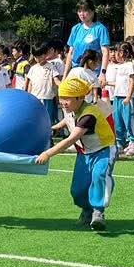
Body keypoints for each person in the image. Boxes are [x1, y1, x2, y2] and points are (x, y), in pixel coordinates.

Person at [36, 76, 116, 231]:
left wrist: (48, 153)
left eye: (67, 98)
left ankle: (98, 212)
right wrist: (53, 127)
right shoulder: (71, 109)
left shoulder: (89, 115)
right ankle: (87, 210)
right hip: (84, 152)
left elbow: (71, 139)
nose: (62, 102)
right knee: (78, 189)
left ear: (80, 98)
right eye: (61, 98)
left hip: (103, 150)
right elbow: (68, 120)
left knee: (99, 176)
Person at [103, 43, 134, 155]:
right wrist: (106, 83)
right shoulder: (120, 66)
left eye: (117, 52)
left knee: (129, 121)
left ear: (123, 53)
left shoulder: (130, 65)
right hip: (117, 97)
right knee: (118, 121)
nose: (115, 54)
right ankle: (119, 143)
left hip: (126, 98)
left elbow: (132, 81)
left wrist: (128, 96)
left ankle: (133, 143)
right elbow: (119, 83)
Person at [63, 0, 111, 80]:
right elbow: (70, 53)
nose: (82, 14)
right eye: (79, 11)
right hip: (76, 72)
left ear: (92, 12)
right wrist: (65, 75)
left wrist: (103, 73)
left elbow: (105, 52)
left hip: (92, 73)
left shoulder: (100, 29)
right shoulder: (75, 29)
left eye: (85, 11)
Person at [26, 40, 61, 126]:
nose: (38, 59)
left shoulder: (51, 67)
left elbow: (56, 80)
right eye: (36, 57)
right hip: (35, 98)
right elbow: (30, 83)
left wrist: (63, 86)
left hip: (47, 98)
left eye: (40, 56)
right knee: (36, 118)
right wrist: (29, 96)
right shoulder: (33, 68)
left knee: (47, 119)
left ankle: (49, 133)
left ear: (46, 54)